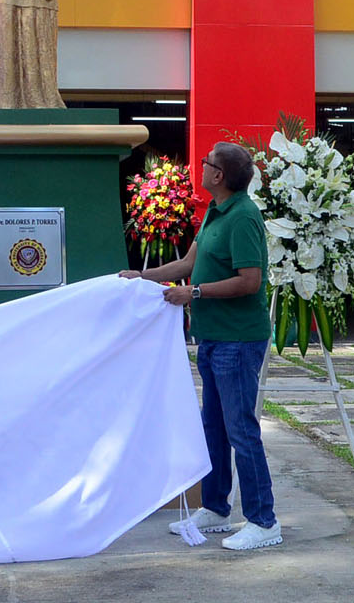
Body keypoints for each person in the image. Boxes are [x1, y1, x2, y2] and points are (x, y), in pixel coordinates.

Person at [121, 141, 282, 551]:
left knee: (241, 431)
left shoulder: (243, 216)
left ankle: (264, 521)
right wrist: (144, 276)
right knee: (213, 426)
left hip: (238, 340)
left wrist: (194, 294)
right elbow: (189, 262)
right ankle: (215, 507)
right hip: (213, 338)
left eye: (207, 162)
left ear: (219, 175)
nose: (201, 166)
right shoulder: (215, 210)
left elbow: (251, 281)